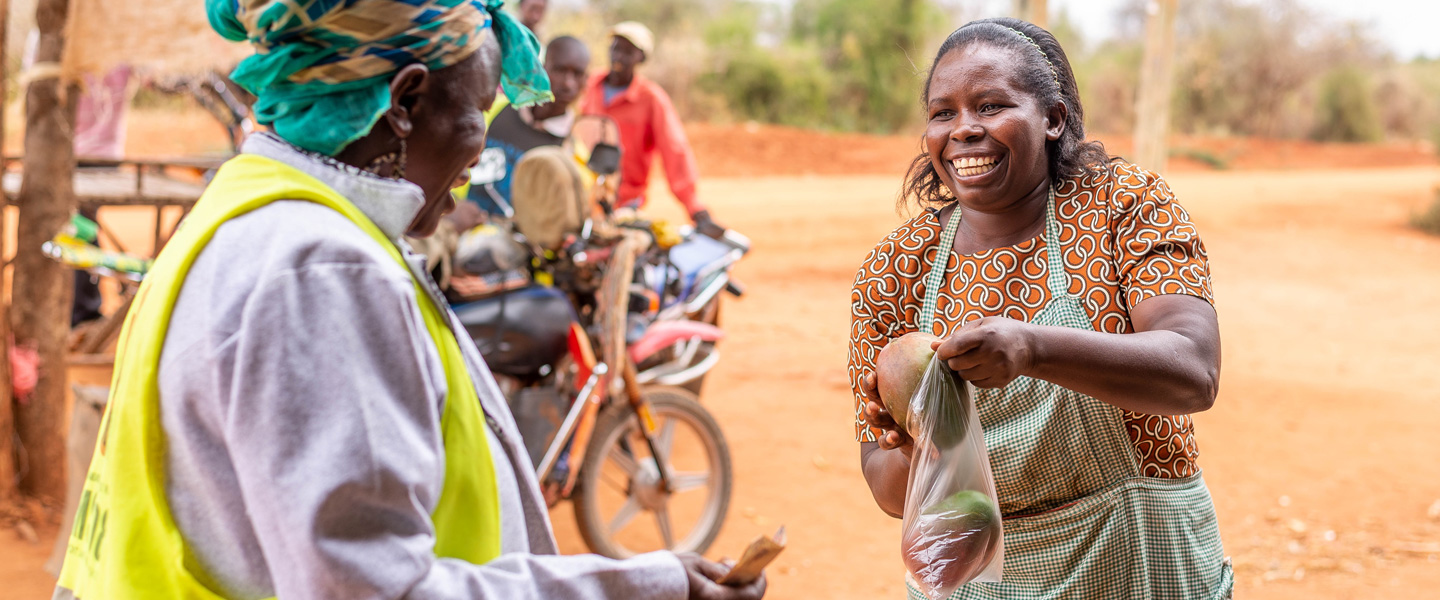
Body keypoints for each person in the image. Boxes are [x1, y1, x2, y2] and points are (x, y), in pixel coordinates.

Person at [52, 2, 766, 599]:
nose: (480, 151)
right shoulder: (325, 270)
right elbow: (376, 589)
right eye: (478, 112)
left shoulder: (246, 212)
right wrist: (642, 588)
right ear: (406, 103)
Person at [849, 18, 1232, 599]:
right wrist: (921, 440)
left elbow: (1193, 372)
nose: (964, 130)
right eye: (942, 112)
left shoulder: (1121, 206)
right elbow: (887, 491)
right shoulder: (895, 271)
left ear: (1052, 119)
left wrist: (1033, 347)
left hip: (1141, 559)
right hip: (983, 580)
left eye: (990, 105)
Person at [580, 21, 722, 236]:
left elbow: (674, 149)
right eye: (616, 48)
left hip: (624, 202)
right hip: (582, 193)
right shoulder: (589, 86)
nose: (619, 56)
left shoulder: (651, 99)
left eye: (628, 52)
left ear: (641, 58)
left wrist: (694, 207)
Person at [470, 35, 590, 213]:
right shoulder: (495, 108)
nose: (568, 83)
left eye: (577, 74)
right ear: (541, 68)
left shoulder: (572, 153)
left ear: (585, 81)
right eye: (559, 70)